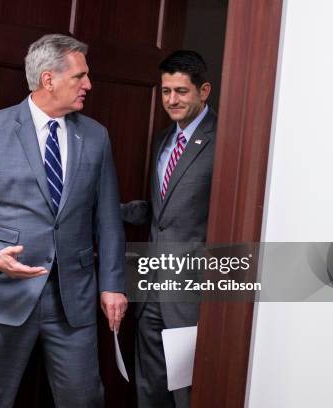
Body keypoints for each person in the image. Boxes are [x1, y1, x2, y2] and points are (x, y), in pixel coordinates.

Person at [0, 34, 127, 408]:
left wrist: (112, 285)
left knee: (84, 401)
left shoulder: (96, 137)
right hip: (2, 296)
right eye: (79, 76)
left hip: (73, 300)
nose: (88, 85)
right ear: (49, 79)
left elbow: (108, 219)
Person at [121, 50, 217, 408]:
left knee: (188, 396)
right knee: (150, 392)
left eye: (181, 91)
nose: (172, 100)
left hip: (191, 294)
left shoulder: (224, 140)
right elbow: (163, 212)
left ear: (203, 91)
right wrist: (110, 212)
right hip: (149, 291)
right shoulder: (164, 139)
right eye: (165, 92)